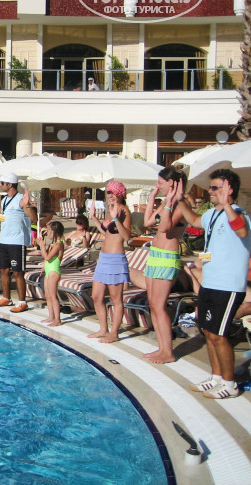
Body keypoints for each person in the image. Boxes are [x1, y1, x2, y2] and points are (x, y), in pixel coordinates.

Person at [174, 169, 251, 399]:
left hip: (228, 286)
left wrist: (227, 204)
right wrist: (180, 199)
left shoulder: (239, 214)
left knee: (219, 334)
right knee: (208, 332)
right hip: (210, 283)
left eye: (215, 187)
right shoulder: (213, 214)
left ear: (229, 190)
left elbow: (242, 231)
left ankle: (230, 384)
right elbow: (194, 220)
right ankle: (216, 378)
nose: (210, 191)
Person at [140, 167, 189, 363]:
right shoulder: (165, 203)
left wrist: (168, 202)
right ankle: (161, 348)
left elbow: (164, 227)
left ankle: (168, 352)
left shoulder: (182, 204)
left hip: (167, 257)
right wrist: (153, 197)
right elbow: (147, 222)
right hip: (155, 255)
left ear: (172, 183)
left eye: (160, 183)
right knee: (153, 304)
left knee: (159, 306)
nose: (157, 185)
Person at [88, 181, 132, 343]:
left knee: (116, 299)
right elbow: (106, 232)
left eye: (113, 193)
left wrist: (116, 220)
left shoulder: (124, 211)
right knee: (96, 296)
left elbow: (127, 237)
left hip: (115, 259)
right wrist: (94, 218)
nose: (110, 196)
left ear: (120, 194)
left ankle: (114, 333)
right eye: (108, 193)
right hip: (104, 258)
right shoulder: (110, 211)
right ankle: (103, 329)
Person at [0, 172, 36, 312]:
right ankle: (6, 298)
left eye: (2, 183)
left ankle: (22, 302)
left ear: (10, 185)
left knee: (18, 272)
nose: (0, 185)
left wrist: (27, 206)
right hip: (4, 240)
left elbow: (34, 219)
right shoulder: (4, 200)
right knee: (3, 270)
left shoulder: (21, 199)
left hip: (17, 241)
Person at [36, 221, 66, 327]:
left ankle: (57, 319)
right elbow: (46, 258)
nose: (48, 234)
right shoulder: (53, 244)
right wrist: (44, 266)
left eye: (49, 231)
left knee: (53, 296)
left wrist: (42, 246)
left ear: (54, 232)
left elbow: (48, 257)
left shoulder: (59, 244)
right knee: (48, 295)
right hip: (48, 270)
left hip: (54, 272)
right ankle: (51, 316)